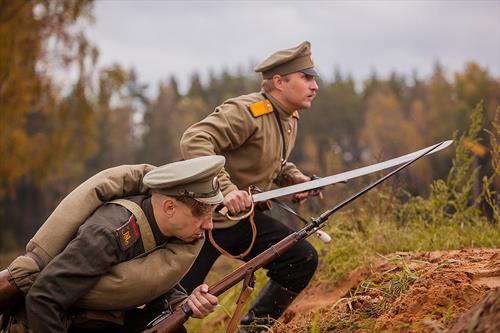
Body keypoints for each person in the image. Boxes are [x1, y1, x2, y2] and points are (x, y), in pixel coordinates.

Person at [179, 41, 320, 332]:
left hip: (242, 221)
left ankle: (252, 329)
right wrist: (227, 190)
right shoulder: (247, 112)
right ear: (279, 82)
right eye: (306, 77)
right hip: (201, 223)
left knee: (301, 259)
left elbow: (271, 162)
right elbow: (194, 140)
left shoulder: (288, 117)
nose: (314, 85)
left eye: (313, 78)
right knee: (172, 304)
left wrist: (293, 179)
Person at [1, 156, 225, 333]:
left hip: (98, 319)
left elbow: (142, 280)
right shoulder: (110, 232)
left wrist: (184, 302)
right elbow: (44, 298)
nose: (209, 226)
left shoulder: (168, 230)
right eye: (202, 215)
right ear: (169, 207)